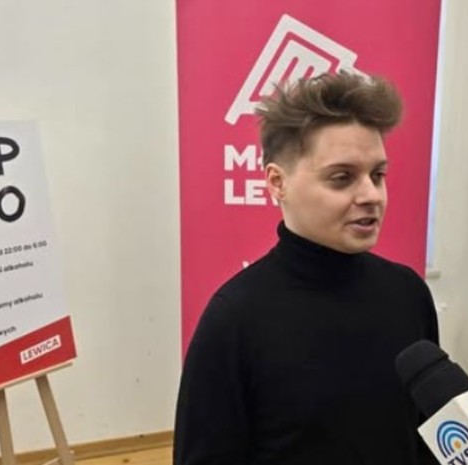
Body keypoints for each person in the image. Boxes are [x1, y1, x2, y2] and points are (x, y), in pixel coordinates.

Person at [173, 71, 440, 465]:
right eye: (342, 178)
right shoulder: (234, 319)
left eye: (378, 175)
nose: (371, 195)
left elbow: (429, 438)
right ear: (277, 182)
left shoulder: (408, 294)